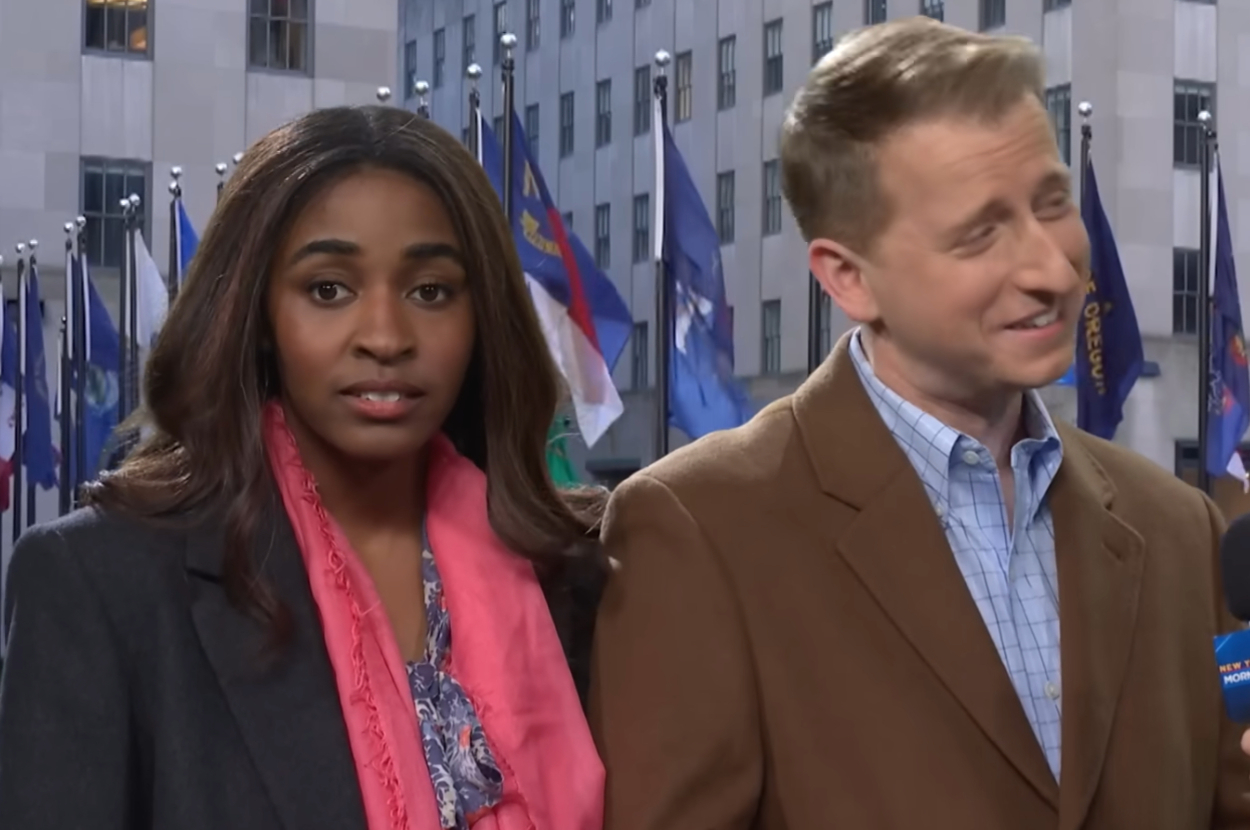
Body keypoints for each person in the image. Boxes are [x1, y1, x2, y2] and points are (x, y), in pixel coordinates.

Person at [590, 17, 1250, 829]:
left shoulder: (1180, 529)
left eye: (1052, 205)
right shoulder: (698, 532)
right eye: (980, 235)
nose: (1051, 269)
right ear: (849, 278)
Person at [0, 106, 605, 830]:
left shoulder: (577, 575)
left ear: (483, 320)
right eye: (328, 289)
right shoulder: (98, 581)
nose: (385, 337)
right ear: (256, 315)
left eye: (431, 292)